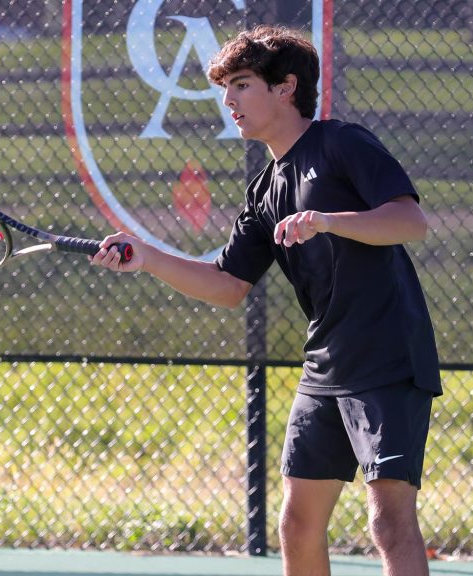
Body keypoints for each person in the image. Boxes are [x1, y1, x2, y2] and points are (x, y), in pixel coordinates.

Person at [90, 24, 442, 576]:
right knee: (297, 525)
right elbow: (228, 285)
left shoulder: (342, 143)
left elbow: (410, 221)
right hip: (325, 366)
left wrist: (328, 220)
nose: (228, 100)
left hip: (388, 358)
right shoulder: (264, 191)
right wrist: (149, 258)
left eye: (242, 84)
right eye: (226, 87)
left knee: (389, 522)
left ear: (285, 88)